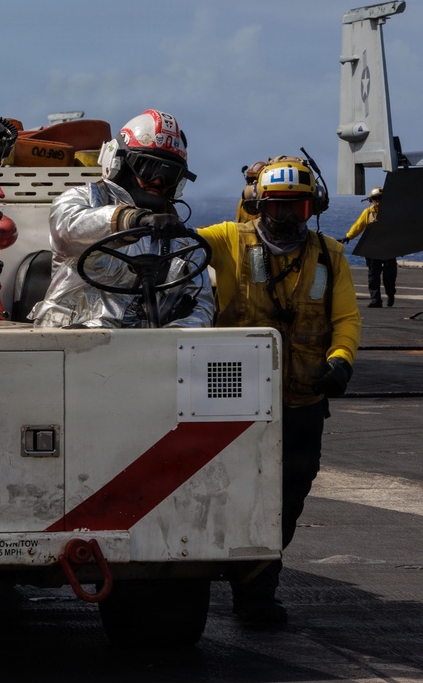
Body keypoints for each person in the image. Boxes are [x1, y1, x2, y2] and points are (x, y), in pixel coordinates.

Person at [198, 156, 361, 626]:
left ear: (311, 208)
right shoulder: (228, 239)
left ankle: (254, 588)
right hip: (233, 404)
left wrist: (341, 361)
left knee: (287, 500)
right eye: (276, 207)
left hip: (303, 400)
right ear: (258, 205)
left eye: (297, 208)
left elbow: (346, 318)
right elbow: (177, 242)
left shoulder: (329, 254)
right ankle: (239, 586)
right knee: (226, 494)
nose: (286, 218)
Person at [29, 109, 215, 328]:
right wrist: (132, 219)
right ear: (121, 163)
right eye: (149, 168)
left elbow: (201, 307)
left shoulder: (185, 242)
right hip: (68, 339)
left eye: (169, 174)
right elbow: (67, 230)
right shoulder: (83, 199)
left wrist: (170, 341)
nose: (158, 181)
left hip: (141, 350)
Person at [342, 186, 396, 307]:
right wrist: (348, 236)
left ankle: (390, 294)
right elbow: (359, 225)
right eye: (375, 198)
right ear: (371, 200)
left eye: (380, 198)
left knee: (389, 275)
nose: (377, 201)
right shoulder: (368, 213)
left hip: (388, 248)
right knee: (373, 275)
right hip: (372, 248)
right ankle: (375, 300)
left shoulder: (391, 212)